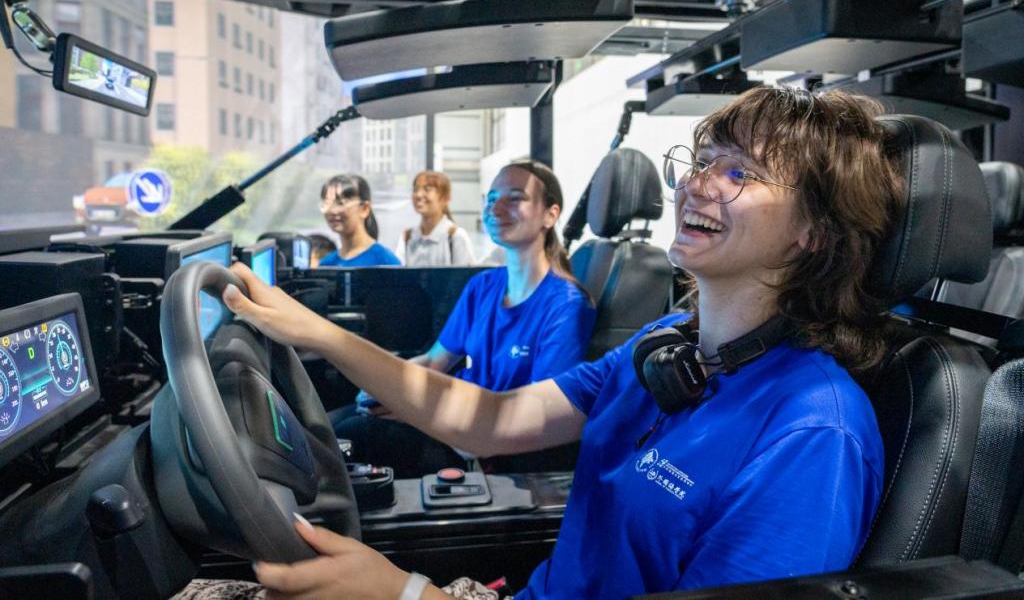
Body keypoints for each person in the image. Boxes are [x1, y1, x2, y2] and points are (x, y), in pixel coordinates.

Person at [224, 87, 902, 598]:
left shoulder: (814, 432)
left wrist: (405, 594)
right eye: (702, 162)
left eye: (739, 173)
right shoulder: (663, 346)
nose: (696, 183)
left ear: (815, 232)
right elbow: (491, 419)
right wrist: (317, 332)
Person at [331, 159, 596, 476]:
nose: (496, 209)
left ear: (550, 215)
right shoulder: (482, 286)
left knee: (351, 436)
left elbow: (536, 416)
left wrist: (420, 410)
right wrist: (386, 386)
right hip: (451, 421)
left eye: (515, 198)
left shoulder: (566, 305)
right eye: (492, 199)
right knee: (334, 422)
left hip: (482, 448)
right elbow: (434, 362)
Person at [317, 174, 401, 267]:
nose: (332, 211)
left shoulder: (385, 263)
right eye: (327, 203)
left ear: (364, 209)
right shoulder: (326, 264)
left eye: (340, 203)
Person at [396, 171, 475, 266]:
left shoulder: (456, 236)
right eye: (416, 189)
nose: (418, 195)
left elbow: (466, 274)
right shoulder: (407, 237)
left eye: (427, 189)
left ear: (445, 198)